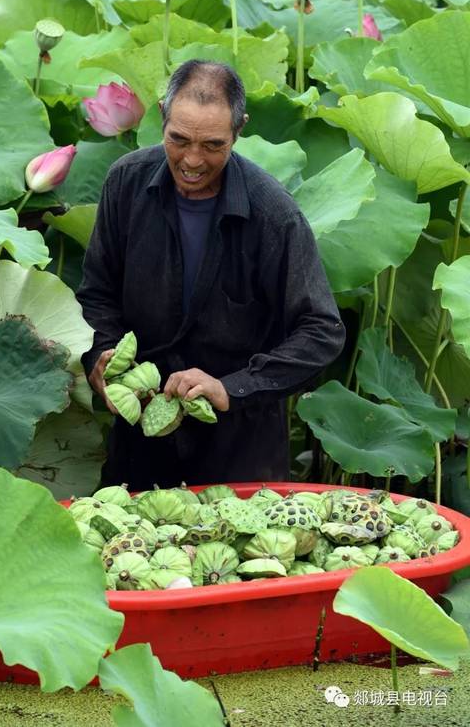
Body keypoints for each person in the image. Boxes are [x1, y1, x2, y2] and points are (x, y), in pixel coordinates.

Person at [77, 60, 345, 490]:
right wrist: (102, 355)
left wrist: (233, 387)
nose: (192, 160)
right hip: (142, 437)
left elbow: (321, 331)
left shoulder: (274, 215)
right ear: (162, 114)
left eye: (213, 146)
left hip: (240, 446)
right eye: (178, 140)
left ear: (240, 129)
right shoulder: (124, 184)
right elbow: (97, 294)